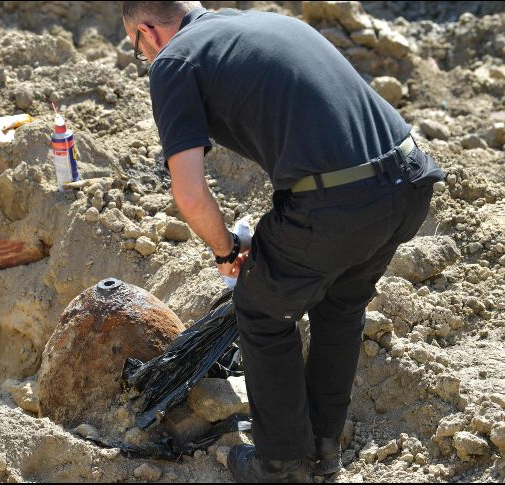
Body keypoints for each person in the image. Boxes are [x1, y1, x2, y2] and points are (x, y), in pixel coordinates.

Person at [121, 1, 444, 482]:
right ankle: (322, 449)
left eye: (135, 50)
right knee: (340, 306)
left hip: (339, 203)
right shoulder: (260, 22)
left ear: (147, 32)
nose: (144, 59)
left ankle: (282, 464)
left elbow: (188, 194)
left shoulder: (174, 60)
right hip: (409, 181)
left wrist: (227, 250)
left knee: (261, 308)